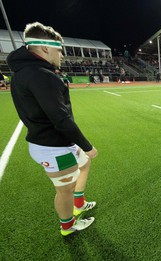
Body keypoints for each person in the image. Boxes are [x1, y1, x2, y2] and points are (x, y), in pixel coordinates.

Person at [7, 22, 97, 236]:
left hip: (56, 141)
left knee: (83, 165)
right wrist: (87, 145)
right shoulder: (41, 75)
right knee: (65, 189)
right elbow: (60, 118)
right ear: (45, 48)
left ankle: (80, 203)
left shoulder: (27, 71)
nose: (62, 54)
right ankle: (67, 226)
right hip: (54, 147)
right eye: (59, 49)